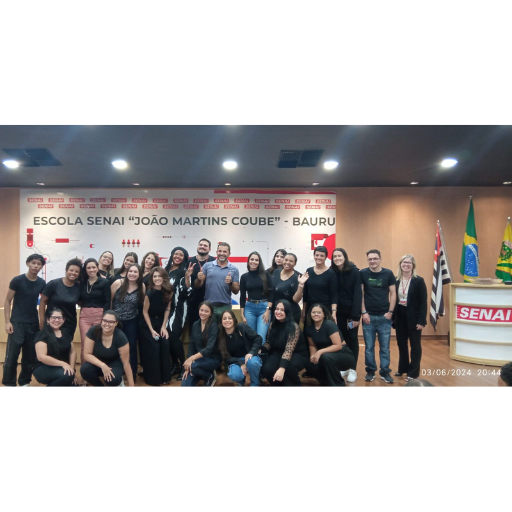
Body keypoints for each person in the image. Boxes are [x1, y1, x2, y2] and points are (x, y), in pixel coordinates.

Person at [2, 254, 46, 387]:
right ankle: (9, 383)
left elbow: (43, 302)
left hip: (33, 323)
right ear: (28, 263)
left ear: (41, 267)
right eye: (33, 263)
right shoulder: (17, 280)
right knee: (12, 355)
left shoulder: (41, 283)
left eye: (39, 264)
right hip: (17, 322)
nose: (36, 266)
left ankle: (24, 381)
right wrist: (7, 322)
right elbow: (7, 301)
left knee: (29, 356)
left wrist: (42, 321)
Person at [360, 249, 397, 384]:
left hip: (384, 317)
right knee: (369, 347)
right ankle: (370, 370)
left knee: (385, 347)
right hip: (368, 317)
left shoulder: (388, 273)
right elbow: (360, 294)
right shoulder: (363, 273)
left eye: (375, 258)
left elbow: (393, 293)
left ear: (380, 259)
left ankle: (385, 371)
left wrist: (390, 312)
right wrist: (364, 312)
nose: (372, 261)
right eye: (370, 259)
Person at [392, 254, 427, 382]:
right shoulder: (396, 280)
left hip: (414, 318)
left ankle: (413, 373)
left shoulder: (419, 281)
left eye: (409, 263)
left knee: (415, 347)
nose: (406, 265)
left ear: (413, 266)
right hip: (400, 316)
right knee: (402, 344)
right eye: (404, 262)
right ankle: (403, 368)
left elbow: (423, 302)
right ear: (400, 264)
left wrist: (422, 321)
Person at [304, 304, 355, 386]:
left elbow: (338, 345)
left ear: (324, 314)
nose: (316, 314)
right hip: (326, 355)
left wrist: (319, 352)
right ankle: (328, 383)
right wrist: (313, 356)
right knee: (309, 364)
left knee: (326, 357)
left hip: (343, 353)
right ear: (310, 314)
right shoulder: (309, 327)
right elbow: (312, 345)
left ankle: (338, 384)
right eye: (313, 312)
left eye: (319, 312)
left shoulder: (329, 324)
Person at [331, 247, 362, 383]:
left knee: (352, 339)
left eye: (339, 256)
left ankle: (353, 368)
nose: (337, 258)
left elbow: (357, 295)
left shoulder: (354, 272)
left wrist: (355, 316)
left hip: (351, 314)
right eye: (335, 256)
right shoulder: (332, 272)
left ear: (345, 257)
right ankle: (345, 366)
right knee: (341, 340)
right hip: (337, 313)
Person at [261, 299, 308, 386]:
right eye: (277, 309)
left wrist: (282, 368)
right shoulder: (272, 324)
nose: (278, 312)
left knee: (288, 367)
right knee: (267, 370)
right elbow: (269, 343)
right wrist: (259, 350)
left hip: (297, 354)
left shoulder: (293, 327)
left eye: (282, 310)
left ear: (287, 311)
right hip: (279, 352)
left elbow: (289, 350)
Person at [80, 310, 134, 387]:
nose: (107, 324)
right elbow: (86, 354)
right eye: (105, 321)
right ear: (101, 321)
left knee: (112, 380)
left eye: (111, 322)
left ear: (116, 323)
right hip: (98, 362)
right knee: (85, 369)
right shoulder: (93, 331)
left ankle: (119, 381)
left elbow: (126, 363)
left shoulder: (120, 337)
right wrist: (102, 365)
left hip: (115, 363)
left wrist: (132, 386)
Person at [110, 263, 145, 381]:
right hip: (116, 322)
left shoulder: (142, 286)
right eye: (130, 271)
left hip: (132, 321)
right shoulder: (118, 283)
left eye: (135, 272)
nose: (132, 274)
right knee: (115, 346)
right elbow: (110, 301)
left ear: (139, 274)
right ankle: (116, 373)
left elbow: (142, 304)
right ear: (127, 272)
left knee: (132, 346)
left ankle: (132, 374)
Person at [140, 267, 173, 386]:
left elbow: (168, 309)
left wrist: (164, 326)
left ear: (164, 278)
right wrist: (152, 330)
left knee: (165, 343)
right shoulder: (150, 293)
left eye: (159, 276)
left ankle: (165, 377)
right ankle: (153, 379)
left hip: (161, 322)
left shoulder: (169, 291)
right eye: (155, 276)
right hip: (147, 324)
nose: (157, 278)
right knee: (154, 346)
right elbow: (145, 312)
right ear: (152, 278)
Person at [164, 246, 194, 378]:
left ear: (184, 258)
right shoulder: (165, 271)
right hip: (165, 309)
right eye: (176, 254)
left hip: (179, 309)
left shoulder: (184, 272)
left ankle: (183, 366)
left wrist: (187, 278)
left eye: (181, 255)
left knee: (173, 336)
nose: (177, 256)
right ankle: (175, 365)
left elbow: (186, 293)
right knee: (167, 338)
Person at [78, 258, 111, 365]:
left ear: (97, 268)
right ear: (85, 269)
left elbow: (107, 301)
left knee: (98, 344)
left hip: (100, 316)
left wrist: (105, 318)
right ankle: (84, 371)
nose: (91, 270)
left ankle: (97, 369)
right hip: (84, 316)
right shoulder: (82, 282)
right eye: (88, 268)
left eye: (93, 267)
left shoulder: (105, 282)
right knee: (85, 344)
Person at [33, 308, 77, 386]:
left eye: (59, 318)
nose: (56, 320)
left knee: (74, 385)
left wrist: (72, 369)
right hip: (43, 367)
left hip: (61, 367)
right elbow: (41, 357)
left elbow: (72, 352)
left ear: (63, 320)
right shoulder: (42, 334)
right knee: (67, 375)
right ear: (48, 320)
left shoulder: (66, 332)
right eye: (53, 317)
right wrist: (63, 364)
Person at [39, 258, 82, 338]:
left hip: (69, 324)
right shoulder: (53, 284)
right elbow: (43, 302)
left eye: (77, 271)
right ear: (66, 270)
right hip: (52, 322)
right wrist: (42, 320)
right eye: (71, 270)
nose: (73, 273)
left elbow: (81, 303)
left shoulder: (79, 287)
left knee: (65, 344)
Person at [195, 242, 240, 319]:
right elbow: (198, 285)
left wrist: (230, 283)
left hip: (225, 307)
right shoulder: (207, 266)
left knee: (225, 327)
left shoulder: (234, 269)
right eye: (220, 251)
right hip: (209, 306)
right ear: (216, 252)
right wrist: (199, 279)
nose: (222, 253)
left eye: (224, 251)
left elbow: (236, 291)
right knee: (209, 327)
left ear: (229, 254)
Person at [218, 309, 263, 386]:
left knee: (253, 363)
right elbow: (225, 357)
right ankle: (241, 381)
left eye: (230, 318)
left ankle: (255, 383)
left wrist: (251, 352)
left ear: (234, 319)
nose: (227, 320)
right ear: (221, 321)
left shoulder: (241, 327)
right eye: (224, 319)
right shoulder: (220, 335)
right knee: (234, 375)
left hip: (250, 356)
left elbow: (258, 338)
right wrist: (241, 363)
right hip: (235, 360)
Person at [181, 301, 221, 387]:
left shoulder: (214, 326)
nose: (203, 313)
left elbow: (209, 349)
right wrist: (188, 363)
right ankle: (201, 373)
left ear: (210, 313)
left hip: (212, 359)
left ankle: (209, 376)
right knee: (185, 385)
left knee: (193, 366)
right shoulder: (195, 324)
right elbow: (191, 346)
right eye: (201, 310)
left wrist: (191, 359)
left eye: (206, 311)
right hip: (198, 360)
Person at [240, 251, 273, 341]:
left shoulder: (265, 274)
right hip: (249, 309)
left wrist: (268, 310)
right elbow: (242, 297)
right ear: (248, 261)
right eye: (252, 259)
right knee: (251, 338)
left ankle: (260, 351)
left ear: (259, 262)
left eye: (256, 260)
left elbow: (272, 293)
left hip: (264, 308)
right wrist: (242, 314)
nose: (254, 262)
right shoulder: (244, 277)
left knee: (261, 338)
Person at [301, 246, 338, 325]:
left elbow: (334, 294)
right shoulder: (309, 271)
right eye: (317, 255)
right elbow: (305, 293)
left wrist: (334, 313)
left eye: (322, 256)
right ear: (314, 256)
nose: (319, 257)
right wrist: (304, 311)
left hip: (325, 309)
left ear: (325, 257)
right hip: (310, 309)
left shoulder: (331, 273)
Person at [270, 253, 308, 325]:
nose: (287, 262)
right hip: (276, 311)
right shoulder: (276, 272)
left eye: (291, 261)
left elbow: (296, 300)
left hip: (290, 313)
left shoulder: (297, 277)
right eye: (286, 260)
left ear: (295, 264)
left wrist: (301, 285)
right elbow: (271, 292)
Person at [187, 238, 215, 331]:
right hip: (193, 302)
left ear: (209, 249)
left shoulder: (214, 262)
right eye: (200, 245)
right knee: (193, 330)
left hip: (210, 301)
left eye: (205, 245)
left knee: (210, 331)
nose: (202, 247)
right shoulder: (189, 261)